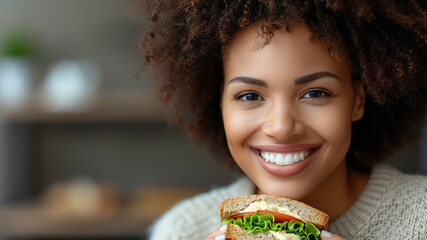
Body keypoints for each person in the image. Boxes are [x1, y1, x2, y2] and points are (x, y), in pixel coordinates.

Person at [136, 0, 426, 239]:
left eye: (315, 93)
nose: (282, 127)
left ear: (358, 101)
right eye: (250, 96)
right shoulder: (182, 231)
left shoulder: (420, 219)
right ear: (219, 103)